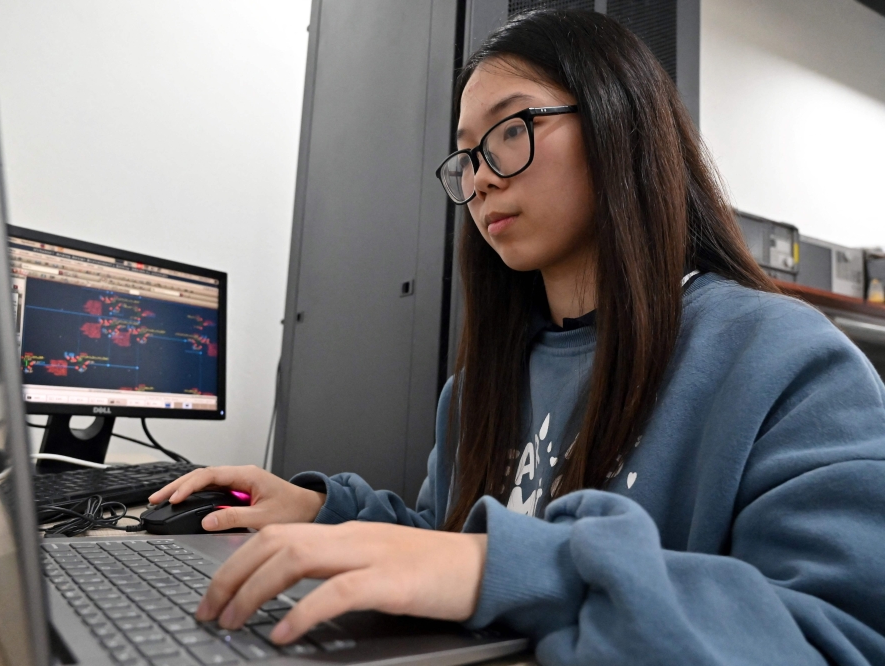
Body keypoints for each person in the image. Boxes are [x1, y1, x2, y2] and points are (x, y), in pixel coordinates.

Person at [150, 9, 885, 664]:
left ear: (620, 121)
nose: (481, 181)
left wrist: (505, 571)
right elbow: (447, 541)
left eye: (511, 130)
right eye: (468, 156)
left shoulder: (785, 361)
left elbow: (841, 638)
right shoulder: (477, 388)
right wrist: (322, 512)